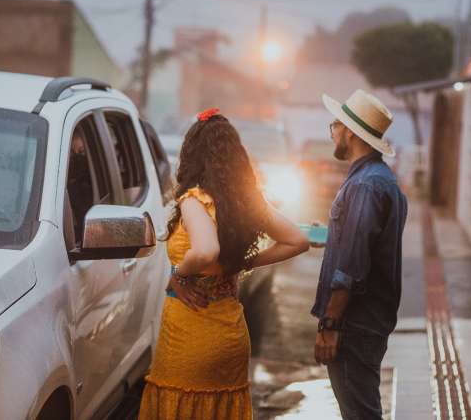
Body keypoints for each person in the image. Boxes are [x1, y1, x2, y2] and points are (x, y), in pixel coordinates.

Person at [138, 108, 310, 420]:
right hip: (229, 336)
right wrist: (244, 263)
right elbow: (297, 240)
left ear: (192, 154)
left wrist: (178, 273)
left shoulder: (193, 201)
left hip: (190, 338)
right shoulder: (247, 201)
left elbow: (205, 252)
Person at [311, 90, 408, 419]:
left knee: (361, 414)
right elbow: (364, 242)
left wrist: (330, 324)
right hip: (366, 321)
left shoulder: (365, 186)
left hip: (354, 323)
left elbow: (352, 264)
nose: (333, 133)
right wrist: (327, 234)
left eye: (334, 126)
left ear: (349, 131)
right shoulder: (379, 180)